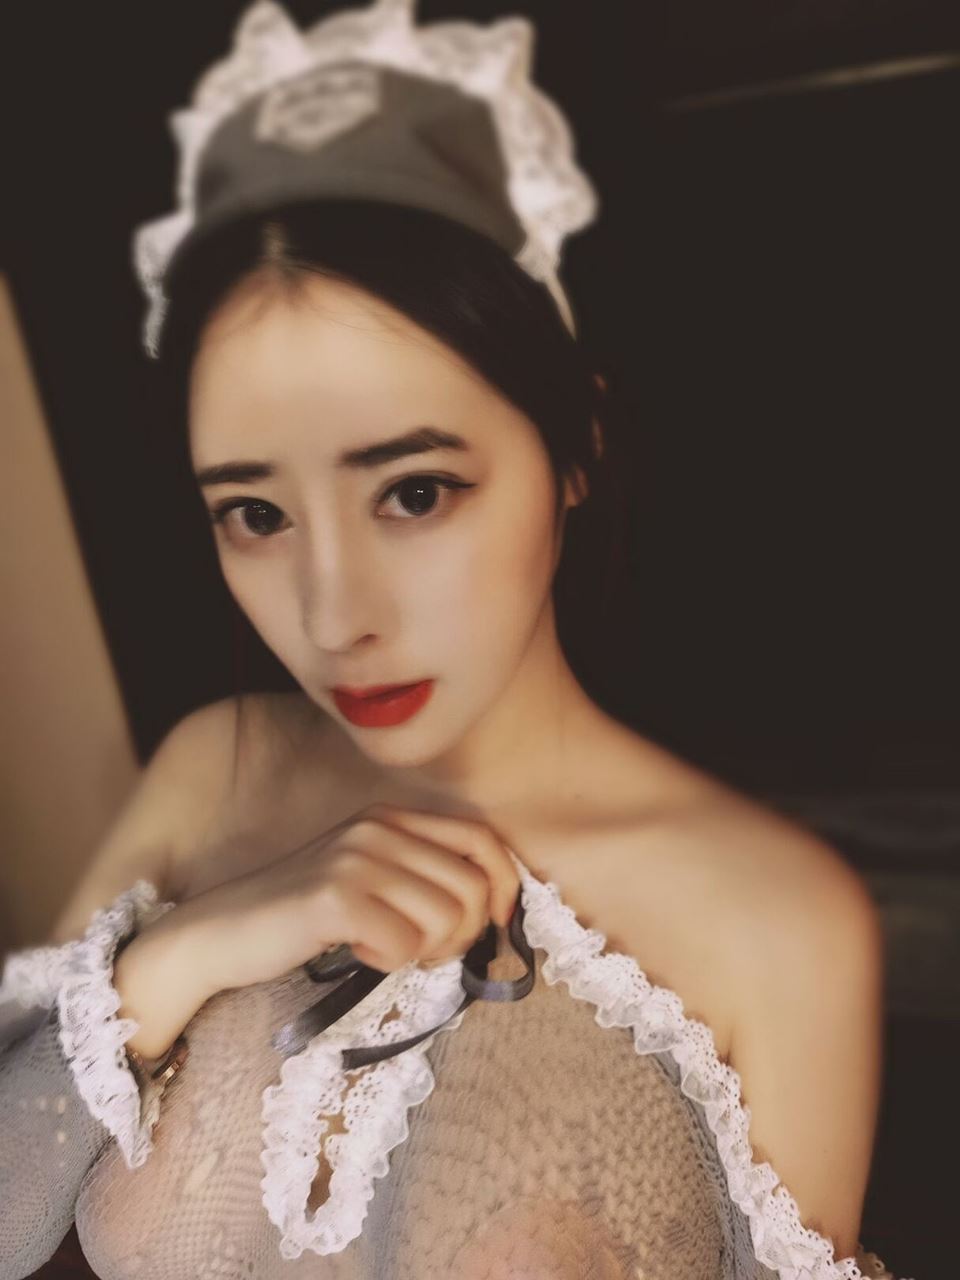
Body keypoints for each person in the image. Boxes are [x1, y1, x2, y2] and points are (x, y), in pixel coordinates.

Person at [0, 2, 913, 1277]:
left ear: (577, 449)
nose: (334, 616)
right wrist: (195, 948)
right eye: (255, 513)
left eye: (415, 491)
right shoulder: (216, 768)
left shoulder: (774, 923)